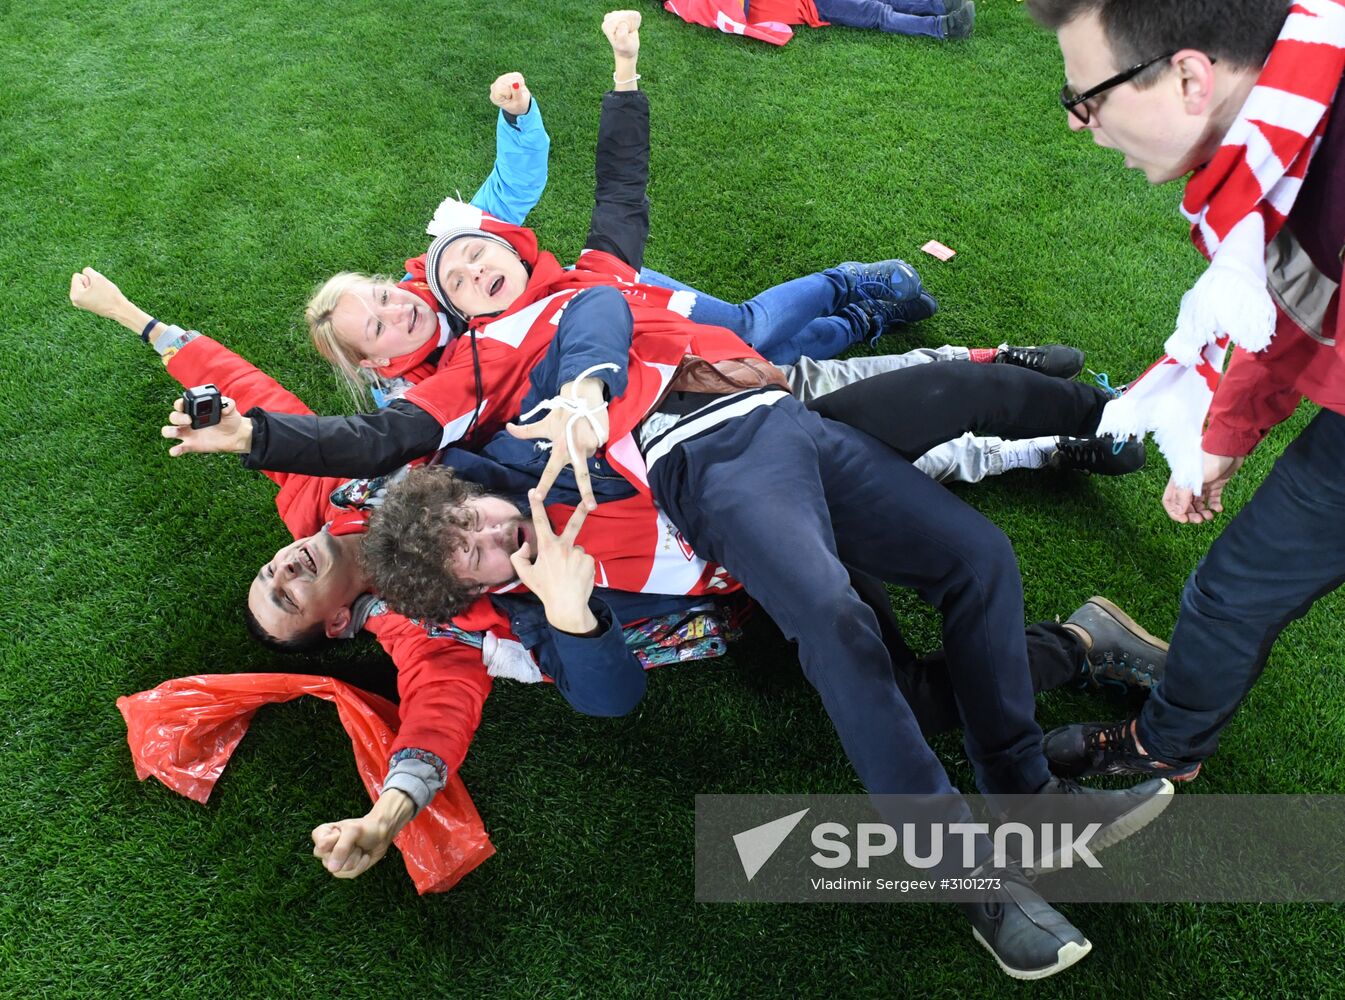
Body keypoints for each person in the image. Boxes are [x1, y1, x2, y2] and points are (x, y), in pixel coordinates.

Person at [1023, 0, 1345, 785]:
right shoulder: (1294, 138)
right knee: (1230, 591)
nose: (1078, 123)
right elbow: (1300, 303)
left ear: (1189, 77)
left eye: (1086, 99)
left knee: (1233, 590)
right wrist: (1224, 436)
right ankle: (1164, 741)